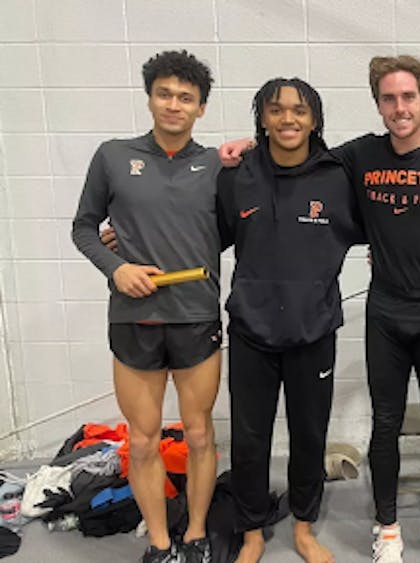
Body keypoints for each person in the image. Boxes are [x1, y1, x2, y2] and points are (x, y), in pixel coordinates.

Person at [219, 55, 420, 563]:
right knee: (260, 435)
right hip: (272, 323)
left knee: (325, 434)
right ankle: (270, 533)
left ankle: (338, 528)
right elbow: (208, 229)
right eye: (276, 111)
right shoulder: (326, 163)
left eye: (408, 97)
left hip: (371, 319)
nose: (288, 119)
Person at [71, 50, 221, 563]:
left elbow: (230, 228)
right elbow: (84, 228)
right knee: (142, 440)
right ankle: (160, 544)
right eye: (165, 94)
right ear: (150, 97)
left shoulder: (216, 166)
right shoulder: (113, 156)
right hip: (133, 319)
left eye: (186, 97)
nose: (173, 105)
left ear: (201, 107)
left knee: (199, 433)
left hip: (197, 315)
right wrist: (118, 269)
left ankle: (197, 534)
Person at [217, 78, 363, 563]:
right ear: (261, 118)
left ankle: (303, 526)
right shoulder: (236, 175)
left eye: (299, 111)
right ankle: (252, 531)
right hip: (251, 331)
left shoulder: (338, 176)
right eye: (276, 110)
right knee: (250, 437)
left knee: (309, 434)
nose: (288, 119)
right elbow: (197, 233)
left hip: (313, 329)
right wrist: (129, 242)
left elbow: (391, 218)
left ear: (315, 120)